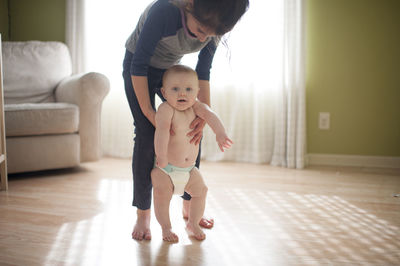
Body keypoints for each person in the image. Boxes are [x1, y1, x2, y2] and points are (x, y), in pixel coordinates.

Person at [123, 0, 249, 241]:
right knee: (147, 133)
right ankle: (143, 213)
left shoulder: (213, 25)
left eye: (211, 35)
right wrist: (151, 115)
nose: (204, 39)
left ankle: (190, 208)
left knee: (192, 126)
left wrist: (203, 115)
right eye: (201, 31)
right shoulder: (163, 12)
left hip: (169, 70)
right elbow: (138, 64)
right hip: (138, 68)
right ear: (190, 5)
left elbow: (203, 73)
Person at [152, 65, 232, 242]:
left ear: (197, 91)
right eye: (175, 89)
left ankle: (192, 223)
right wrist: (161, 156)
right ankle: (166, 228)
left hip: (189, 170)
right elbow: (162, 131)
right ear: (164, 93)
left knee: (201, 191)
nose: (183, 94)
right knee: (161, 196)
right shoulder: (166, 109)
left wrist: (220, 133)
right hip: (166, 169)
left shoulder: (197, 107)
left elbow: (210, 115)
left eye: (189, 89)